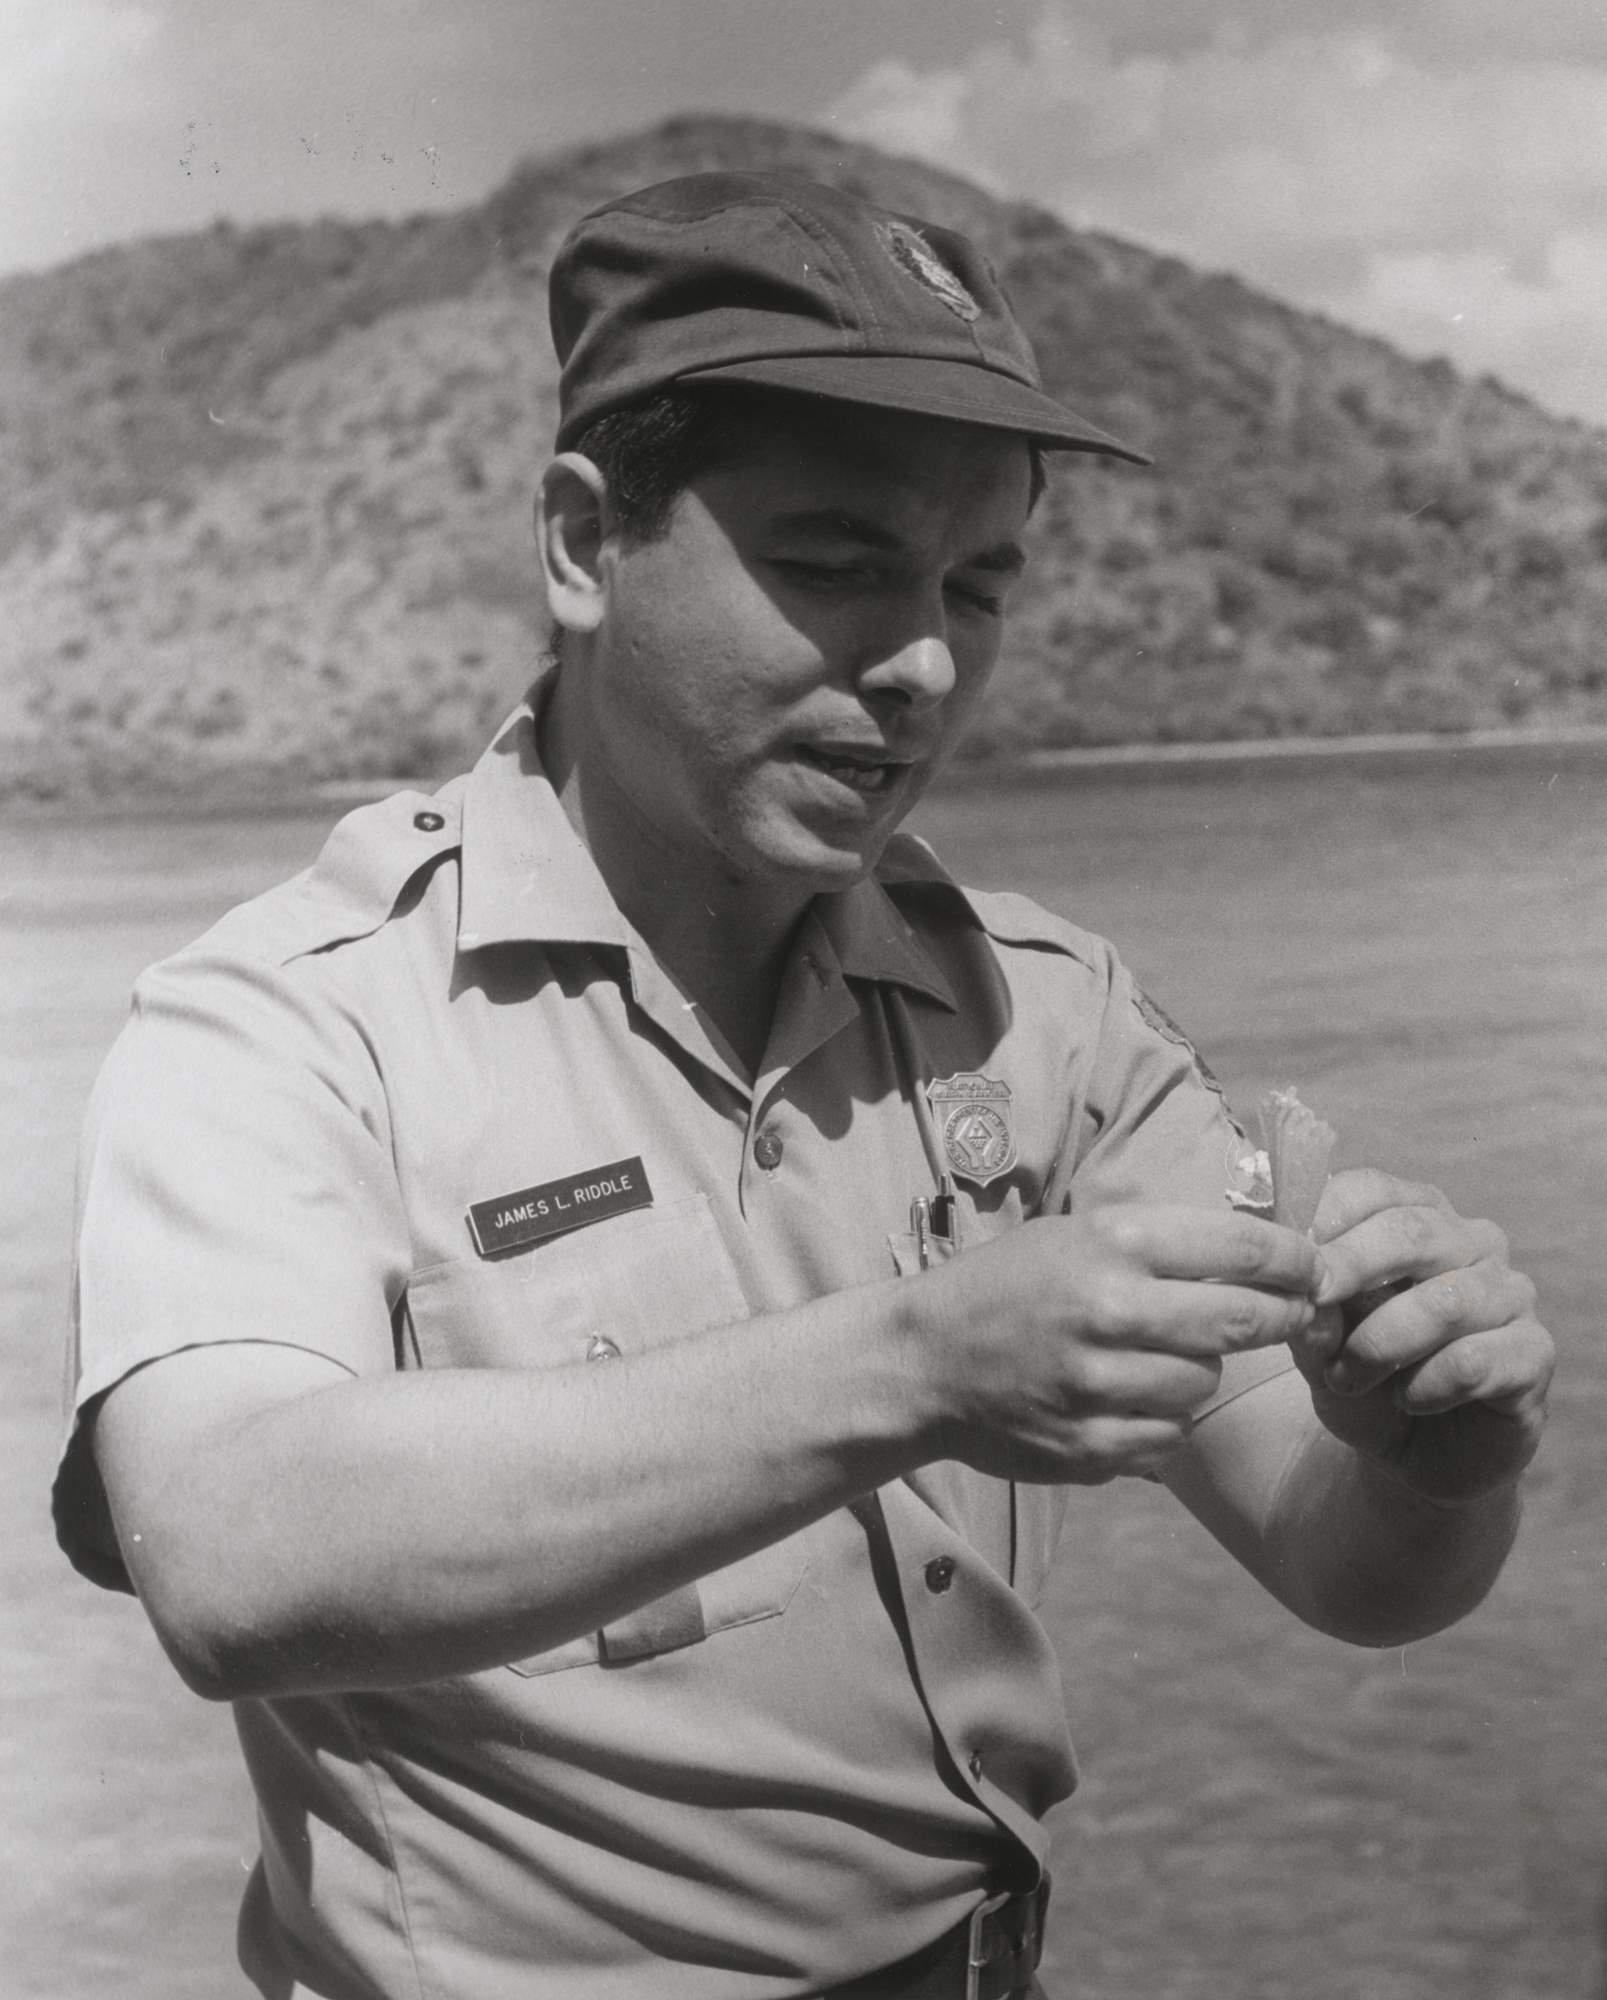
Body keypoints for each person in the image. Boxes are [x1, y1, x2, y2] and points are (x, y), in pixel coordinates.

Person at [54, 172, 1553, 2000]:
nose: (923, 662)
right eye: (836, 564)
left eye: (975, 584)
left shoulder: (1048, 1012)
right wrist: (920, 1364)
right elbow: (224, 1554)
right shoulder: (288, 1021)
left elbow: (1344, 1567)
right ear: (584, 543)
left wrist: (1436, 1458)